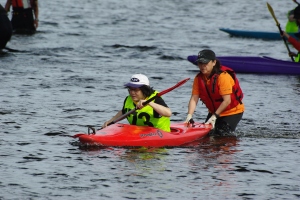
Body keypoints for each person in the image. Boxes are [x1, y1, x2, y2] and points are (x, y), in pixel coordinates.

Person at [184, 49, 245, 136]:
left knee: (222, 135)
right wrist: (189, 115)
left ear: (214, 62)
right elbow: (194, 98)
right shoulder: (198, 78)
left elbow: (227, 101)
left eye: (205, 63)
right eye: (200, 63)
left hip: (232, 112)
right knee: (207, 136)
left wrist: (215, 116)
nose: (202, 66)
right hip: (214, 111)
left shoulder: (223, 77)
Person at [102, 74, 172, 132]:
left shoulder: (155, 99)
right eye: (130, 89)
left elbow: (168, 113)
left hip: (159, 134)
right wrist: (110, 122)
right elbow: (124, 111)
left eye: (136, 90)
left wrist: (149, 103)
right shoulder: (128, 99)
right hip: (138, 133)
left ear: (144, 90)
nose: (132, 93)